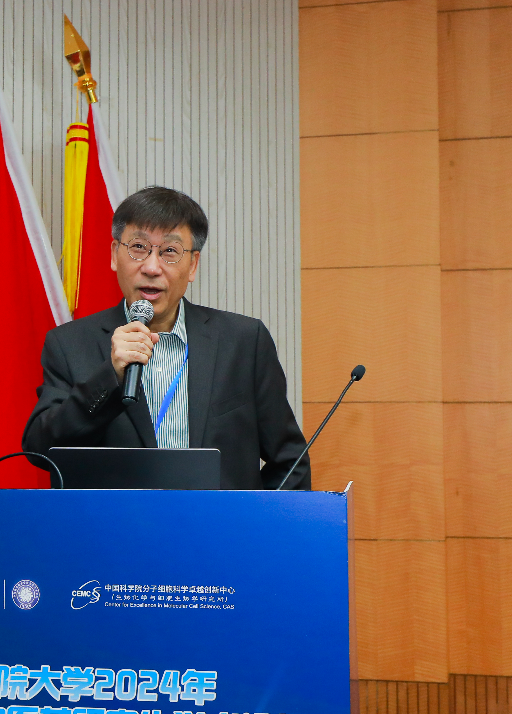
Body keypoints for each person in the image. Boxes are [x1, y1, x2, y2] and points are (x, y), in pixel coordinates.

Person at [22, 186, 310, 490]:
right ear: (114, 255)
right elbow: (41, 450)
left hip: (216, 521)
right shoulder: (69, 344)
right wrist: (110, 377)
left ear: (193, 265)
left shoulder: (243, 342)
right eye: (138, 247)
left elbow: (290, 461)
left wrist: (252, 518)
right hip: (118, 521)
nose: (151, 267)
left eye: (170, 251)